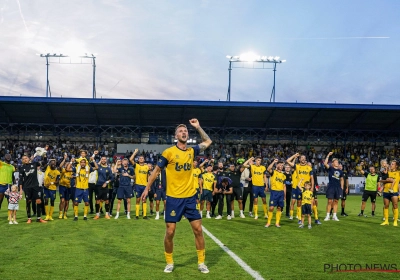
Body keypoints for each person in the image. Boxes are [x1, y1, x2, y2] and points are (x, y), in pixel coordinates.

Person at [141, 119, 212, 274]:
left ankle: (201, 262)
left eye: (185, 130)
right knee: (170, 231)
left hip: (190, 198)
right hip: (173, 198)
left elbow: (208, 141)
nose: (184, 132)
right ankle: (169, 262)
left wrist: (198, 127)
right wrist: (147, 188)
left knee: (198, 230)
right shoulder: (169, 153)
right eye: (180, 131)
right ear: (176, 136)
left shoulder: (192, 151)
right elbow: (156, 171)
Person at [67, 151, 99, 221]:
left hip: (85, 189)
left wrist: (93, 160)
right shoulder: (76, 169)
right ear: (80, 163)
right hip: (78, 188)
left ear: (85, 163)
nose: (83, 163)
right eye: (81, 162)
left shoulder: (88, 169)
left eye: (84, 162)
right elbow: (67, 169)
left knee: (87, 203)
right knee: (75, 203)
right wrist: (71, 162)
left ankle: (85, 216)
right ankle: (76, 216)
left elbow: (96, 167)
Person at [286, 153, 315, 224]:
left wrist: (312, 188)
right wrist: (294, 155)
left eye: (304, 157)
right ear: (299, 159)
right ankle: (299, 218)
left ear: (305, 159)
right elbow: (288, 161)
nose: (303, 158)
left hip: (307, 188)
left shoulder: (309, 168)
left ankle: (307, 216)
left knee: (306, 202)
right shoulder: (297, 166)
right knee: (299, 202)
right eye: (301, 157)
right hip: (299, 187)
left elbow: (312, 178)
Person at [19, 154, 47, 223]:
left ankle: (39, 218)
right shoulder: (22, 168)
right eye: (23, 159)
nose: (25, 159)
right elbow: (20, 180)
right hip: (27, 187)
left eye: (26, 158)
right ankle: (29, 218)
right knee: (28, 202)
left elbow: (44, 162)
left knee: (38, 201)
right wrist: (20, 189)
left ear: (29, 159)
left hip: (35, 187)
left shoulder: (34, 164)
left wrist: (44, 155)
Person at [265, 159, 286, 228]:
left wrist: (284, 195)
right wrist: (273, 162)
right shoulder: (273, 172)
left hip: (281, 193)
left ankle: (277, 223)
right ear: (277, 165)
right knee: (271, 208)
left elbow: (284, 186)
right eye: (280, 165)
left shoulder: (283, 175)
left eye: (282, 165)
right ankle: (268, 222)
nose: (281, 166)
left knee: (279, 208)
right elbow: (268, 168)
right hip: (274, 192)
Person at [323, 152, 344, 221]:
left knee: (336, 201)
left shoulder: (340, 171)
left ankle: (334, 216)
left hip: (338, 188)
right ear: (332, 163)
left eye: (337, 161)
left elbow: (341, 179)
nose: (337, 162)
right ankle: (328, 215)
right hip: (331, 187)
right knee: (329, 201)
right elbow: (325, 163)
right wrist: (328, 155)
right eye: (335, 162)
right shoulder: (330, 168)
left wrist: (342, 188)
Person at [130, 150, 149, 220]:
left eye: (142, 158)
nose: (141, 159)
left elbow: (148, 177)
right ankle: (137, 215)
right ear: (138, 160)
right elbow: (130, 159)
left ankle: (144, 215)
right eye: (140, 158)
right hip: (138, 185)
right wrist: (135, 152)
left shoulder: (147, 167)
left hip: (145, 185)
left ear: (144, 160)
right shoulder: (136, 166)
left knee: (144, 200)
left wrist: (148, 186)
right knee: (138, 200)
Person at [379, 160, 399, 226]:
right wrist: (385, 181)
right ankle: (386, 221)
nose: (391, 165)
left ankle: (395, 221)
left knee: (395, 205)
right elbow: (383, 181)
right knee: (386, 206)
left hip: (394, 191)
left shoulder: (398, 173)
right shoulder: (387, 172)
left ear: (396, 166)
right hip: (386, 191)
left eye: (393, 164)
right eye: (391, 164)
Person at [59, 155, 73, 219]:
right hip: (62, 186)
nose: (68, 165)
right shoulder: (63, 170)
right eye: (67, 164)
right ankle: (60, 213)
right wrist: (64, 159)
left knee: (67, 201)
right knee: (62, 200)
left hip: (69, 187)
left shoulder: (71, 172)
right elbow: (60, 166)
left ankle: (65, 214)